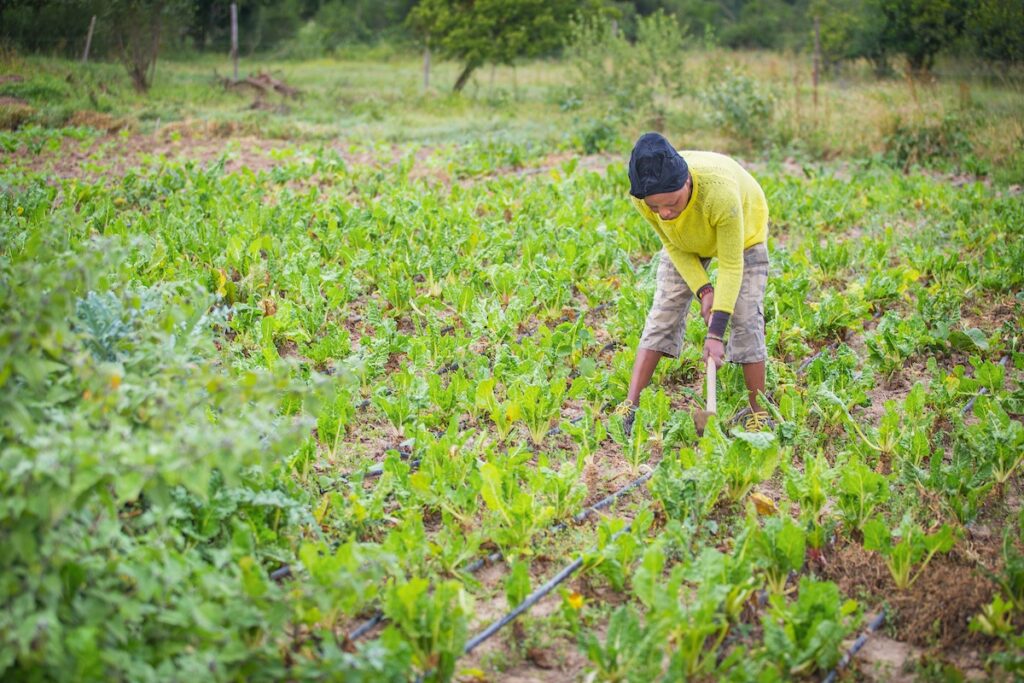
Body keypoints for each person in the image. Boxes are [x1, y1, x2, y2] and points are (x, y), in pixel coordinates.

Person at [617, 132, 772, 432]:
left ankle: (758, 412)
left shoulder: (720, 193)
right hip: (688, 242)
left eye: (672, 203)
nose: (664, 212)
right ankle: (631, 405)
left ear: (686, 181)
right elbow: (673, 244)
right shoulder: (643, 198)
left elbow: (730, 263)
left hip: (744, 236)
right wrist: (704, 289)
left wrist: (715, 334)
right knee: (664, 310)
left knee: (745, 314)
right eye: (655, 207)